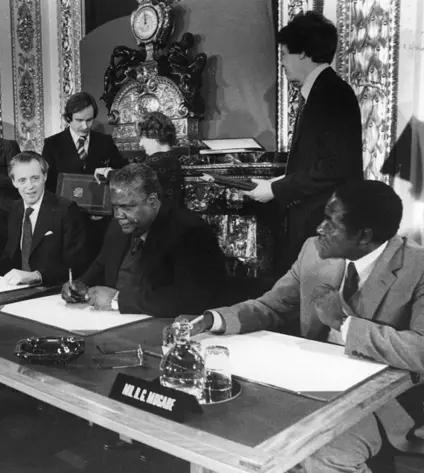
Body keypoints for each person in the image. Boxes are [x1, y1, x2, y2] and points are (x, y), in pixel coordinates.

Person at [192, 180, 424, 473]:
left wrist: (343, 323)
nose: (319, 229)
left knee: (320, 453)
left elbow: (421, 348)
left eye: (331, 222)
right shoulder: (313, 252)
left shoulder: (417, 266)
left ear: (364, 235)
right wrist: (212, 319)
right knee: (227, 429)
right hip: (306, 387)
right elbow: (271, 306)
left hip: (381, 405)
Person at [245, 11, 363, 271]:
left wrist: (276, 190)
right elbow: (319, 161)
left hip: (326, 223)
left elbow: (335, 167)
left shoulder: (331, 93)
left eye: (284, 53)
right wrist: (274, 183)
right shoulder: (324, 91)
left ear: (302, 53)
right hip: (320, 220)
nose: (283, 62)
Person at [61, 163, 226, 317]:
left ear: (152, 201)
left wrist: (118, 300)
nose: (119, 215)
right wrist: (78, 286)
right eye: (115, 206)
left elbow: (193, 297)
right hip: (109, 321)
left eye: (128, 207)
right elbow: (101, 264)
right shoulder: (118, 226)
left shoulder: (190, 232)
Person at [0, 151, 90, 286]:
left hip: (52, 290)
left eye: (35, 178)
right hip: (17, 289)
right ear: (14, 182)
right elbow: (9, 257)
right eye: (22, 180)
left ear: (45, 176)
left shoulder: (66, 209)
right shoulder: (14, 209)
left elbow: (75, 263)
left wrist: (37, 276)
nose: (30, 186)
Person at [42, 92, 126, 193]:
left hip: (98, 204)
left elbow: (122, 172)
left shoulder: (105, 141)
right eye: (79, 120)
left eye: (89, 120)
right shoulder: (52, 144)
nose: (85, 126)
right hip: (64, 206)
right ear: (68, 118)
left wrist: (109, 172)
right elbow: (47, 184)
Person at [137, 112, 184, 206]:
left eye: (143, 138)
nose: (140, 143)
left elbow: (131, 180)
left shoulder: (156, 162)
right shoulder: (172, 158)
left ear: (154, 136)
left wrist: (108, 173)